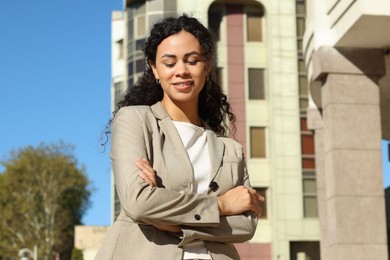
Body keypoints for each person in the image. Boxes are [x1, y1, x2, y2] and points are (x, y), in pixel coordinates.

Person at [95, 14, 264, 260]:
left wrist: (169, 220)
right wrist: (221, 206)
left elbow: (246, 225)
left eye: (192, 61)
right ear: (154, 69)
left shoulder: (230, 149)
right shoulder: (135, 121)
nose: (181, 71)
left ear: (206, 66)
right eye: (169, 62)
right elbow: (139, 202)